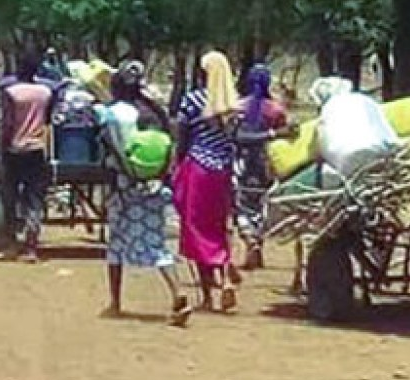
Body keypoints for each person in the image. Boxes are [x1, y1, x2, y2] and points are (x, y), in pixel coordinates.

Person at [100, 61, 189, 325]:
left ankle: (115, 302)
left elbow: (110, 147)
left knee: (116, 244)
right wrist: (161, 176)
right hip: (154, 186)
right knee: (157, 243)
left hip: (124, 186)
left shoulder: (113, 113)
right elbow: (170, 147)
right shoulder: (155, 112)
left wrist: (126, 172)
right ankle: (178, 292)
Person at [174, 50, 240, 312]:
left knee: (196, 228)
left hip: (198, 168)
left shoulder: (193, 101)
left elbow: (182, 136)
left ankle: (207, 296)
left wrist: (176, 167)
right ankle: (225, 281)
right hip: (223, 170)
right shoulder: (234, 105)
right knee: (219, 225)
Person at [233, 63, 290, 270]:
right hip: (266, 163)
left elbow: (235, 136)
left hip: (241, 163)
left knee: (241, 204)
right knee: (262, 203)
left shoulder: (238, 107)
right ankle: (258, 242)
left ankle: (250, 240)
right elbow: (286, 137)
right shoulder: (276, 110)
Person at [0, 51, 54, 263]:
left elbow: (8, 122)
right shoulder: (45, 93)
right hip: (37, 150)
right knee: (34, 198)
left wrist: (2, 148)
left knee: (10, 197)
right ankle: (32, 247)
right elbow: (47, 121)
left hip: (14, 149)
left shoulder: (10, 92)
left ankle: (12, 245)